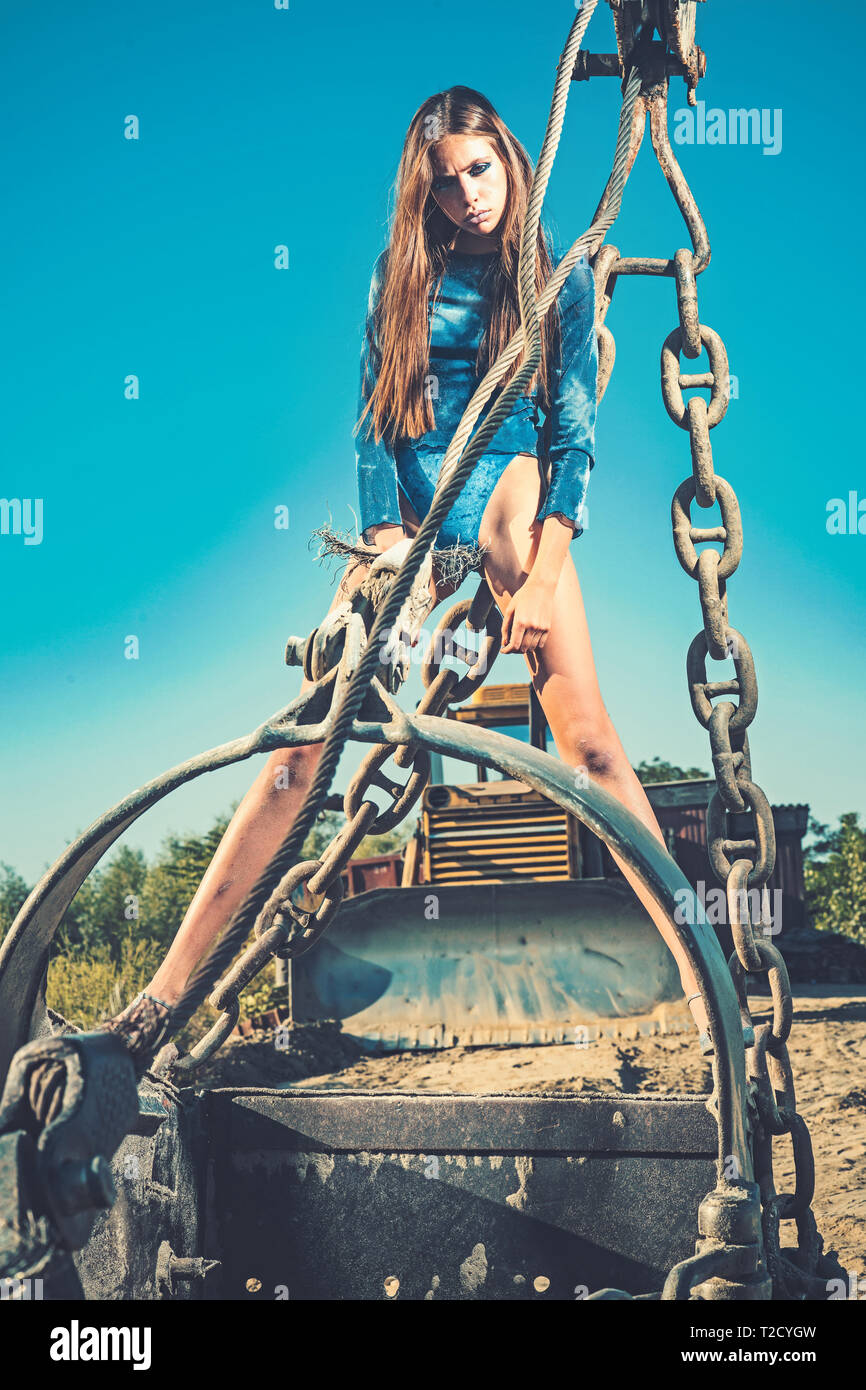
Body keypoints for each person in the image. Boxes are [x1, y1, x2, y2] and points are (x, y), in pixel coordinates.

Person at [104, 84, 715, 1069]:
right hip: (413, 539)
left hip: (519, 520)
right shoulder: (402, 277)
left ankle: (702, 982)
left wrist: (545, 568)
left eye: (482, 169)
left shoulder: (556, 277)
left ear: (511, 159)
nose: (470, 194)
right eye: (446, 182)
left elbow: (571, 438)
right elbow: (374, 428)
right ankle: (157, 1002)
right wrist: (387, 546)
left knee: (594, 750)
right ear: (421, 196)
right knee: (299, 755)